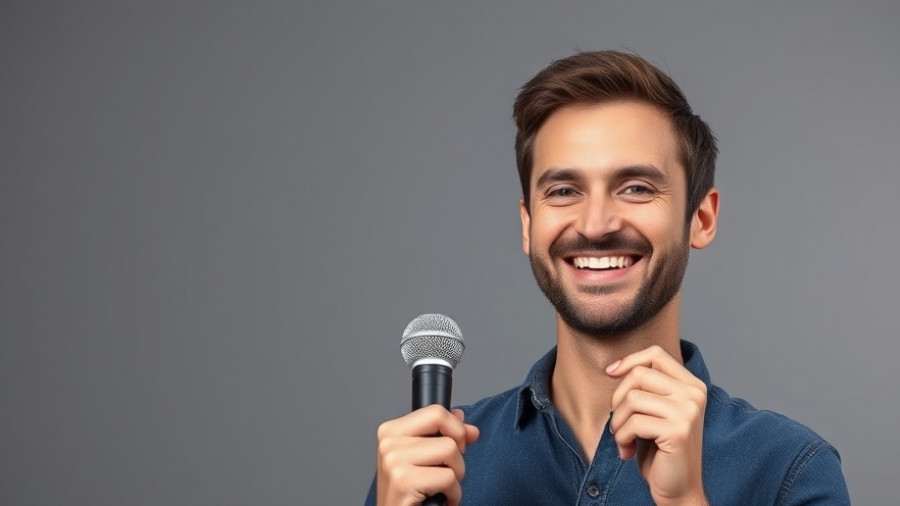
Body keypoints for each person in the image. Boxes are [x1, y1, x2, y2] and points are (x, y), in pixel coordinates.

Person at [366, 50, 850, 506]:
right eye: (563, 190)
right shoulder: (429, 466)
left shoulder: (791, 469)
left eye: (636, 187)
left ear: (700, 218)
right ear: (528, 225)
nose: (596, 225)